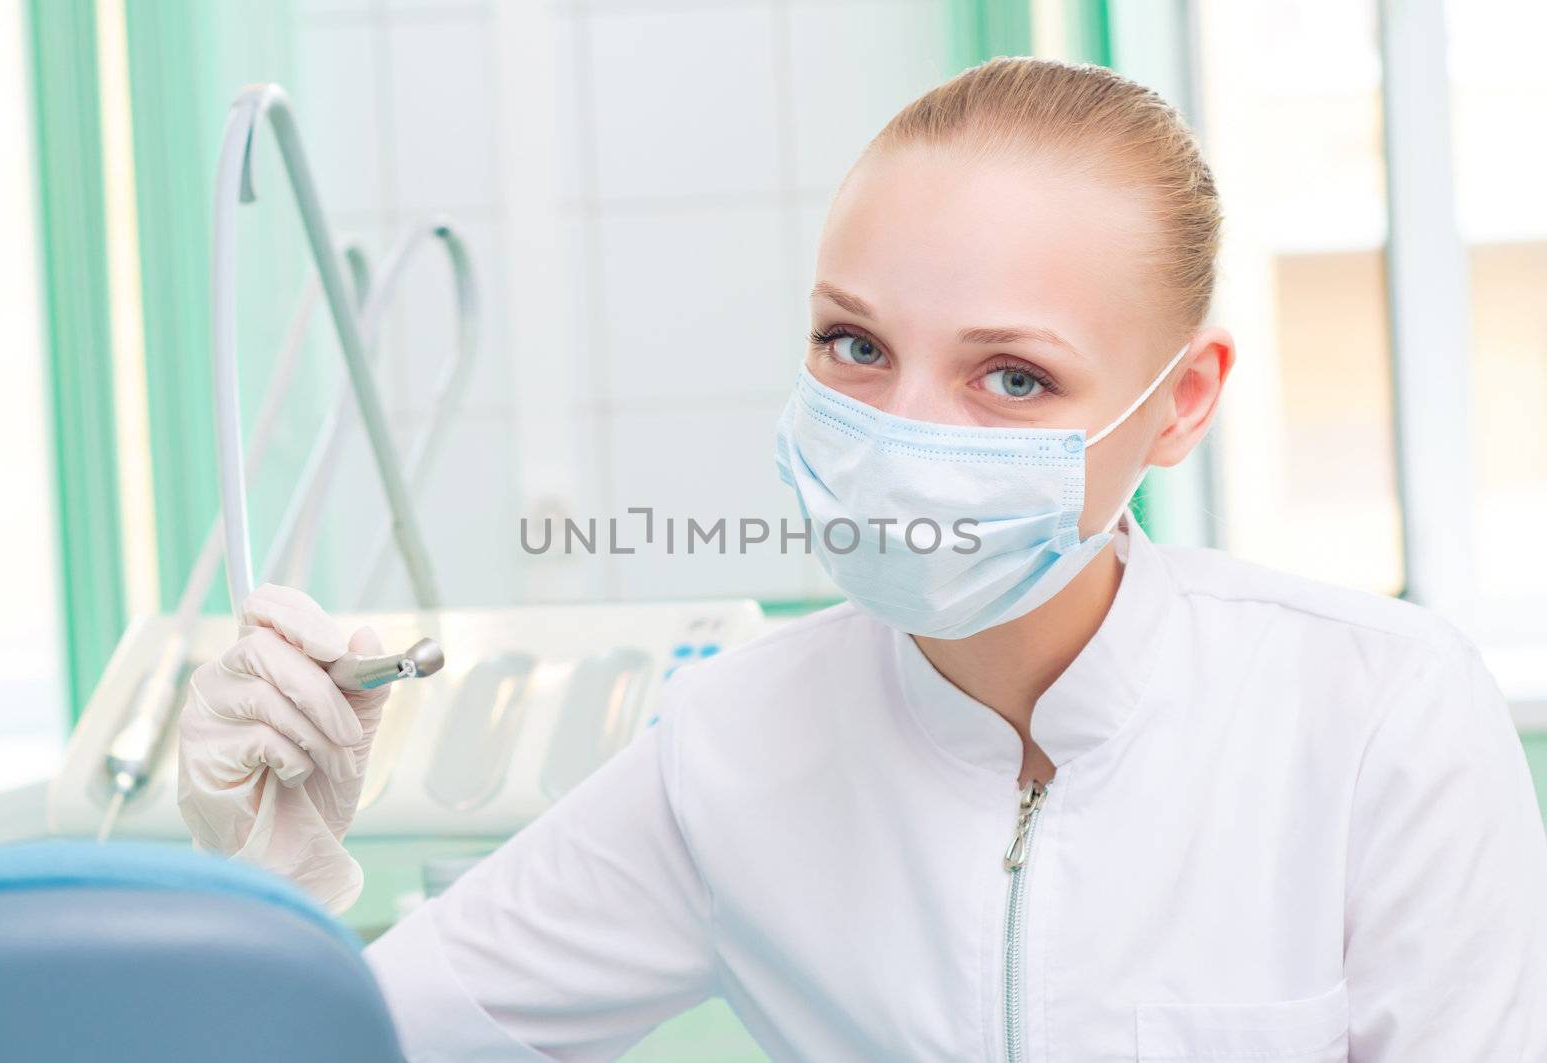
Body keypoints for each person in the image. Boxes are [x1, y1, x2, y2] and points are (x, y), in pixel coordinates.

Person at [176, 57, 1547, 1061]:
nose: (904, 437)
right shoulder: (735, 750)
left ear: (1180, 404)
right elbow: (367, 1046)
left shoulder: (1375, 714)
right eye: (857, 347)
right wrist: (273, 884)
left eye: (1012, 379)